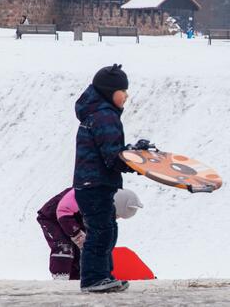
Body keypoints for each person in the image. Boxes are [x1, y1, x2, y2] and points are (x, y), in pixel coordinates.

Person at [73, 63, 147, 293]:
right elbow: (112, 157)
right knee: (101, 231)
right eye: (122, 90)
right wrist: (137, 161)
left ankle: (104, 276)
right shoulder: (105, 117)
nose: (126, 95)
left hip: (93, 184)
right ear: (109, 91)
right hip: (95, 184)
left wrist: (133, 152)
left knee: (107, 229)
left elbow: (112, 151)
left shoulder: (99, 114)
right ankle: (93, 279)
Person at [36, 187, 143, 280]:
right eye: (117, 215)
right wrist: (76, 233)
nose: (116, 218)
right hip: (53, 217)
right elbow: (63, 211)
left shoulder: (103, 204)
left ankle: (76, 280)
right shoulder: (86, 194)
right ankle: (60, 278)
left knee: (83, 249)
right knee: (64, 247)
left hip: (75, 219)